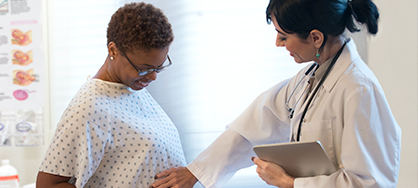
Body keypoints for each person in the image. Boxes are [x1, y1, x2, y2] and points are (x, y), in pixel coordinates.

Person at [149, 0, 401, 188]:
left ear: (315, 37)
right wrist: (195, 172)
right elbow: (252, 126)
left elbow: (370, 183)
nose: (278, 44)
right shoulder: (307, 80)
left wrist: (290, 183)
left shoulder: (358, 90)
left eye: (283, 36)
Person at [36, 2, 186, 188]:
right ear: (113, 50)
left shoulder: (132, 90)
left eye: (159, 66)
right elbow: (48, 185)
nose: (153, 76)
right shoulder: (90, 107)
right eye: (144, 68)